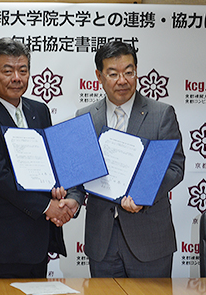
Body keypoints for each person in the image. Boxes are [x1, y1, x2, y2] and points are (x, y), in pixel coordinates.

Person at [0, 37, 79, 278]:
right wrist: (48, 207)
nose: (17, 77)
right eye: (8, 70)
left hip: (38, 240)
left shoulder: (39, 111)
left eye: (23, 70)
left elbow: (49, 163)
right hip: (1, 245)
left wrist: (57, 190)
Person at [67, 41, 185, 278]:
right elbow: (79, 173)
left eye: (129, 72)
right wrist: (73, 199)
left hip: (149, 237)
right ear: (99, 76)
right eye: (113, 74)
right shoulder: (85, 117)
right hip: (102, 240)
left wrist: (143, 194)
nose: (123, 80)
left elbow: (175, 167)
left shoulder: (161, 114)